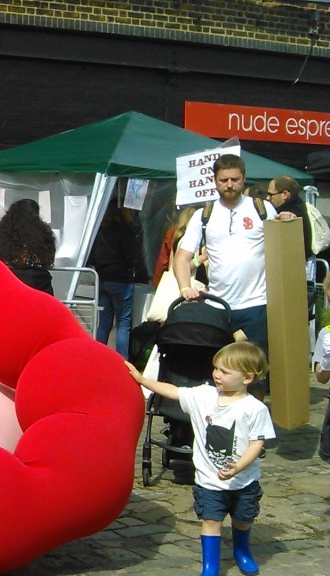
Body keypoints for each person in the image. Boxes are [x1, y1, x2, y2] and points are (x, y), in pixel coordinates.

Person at [125, 341, 275, 576]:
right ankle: (210, 566)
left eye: (225, 371)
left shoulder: (254, 409)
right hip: (209, 480)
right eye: (216, 368)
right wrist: (143, 380)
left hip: (244, 480)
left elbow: (257, 443)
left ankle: (242, 551)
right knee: (210, 520)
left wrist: (239, 466)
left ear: (247, 378)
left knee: (243, 519)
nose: (217, 374)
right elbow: (174, 391)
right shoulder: (204, 396)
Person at [174, 154, 289, 402]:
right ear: (214, 181)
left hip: (256, 304)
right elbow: (182, 257)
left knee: (255, 372)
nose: (229, 185)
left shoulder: (261, 208)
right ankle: (221, 416)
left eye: (234, 179)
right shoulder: (203, 215)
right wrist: (185, 287)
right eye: (223, 180)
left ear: (244, 178)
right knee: (219, 371)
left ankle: (253, 418)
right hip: (218, 306)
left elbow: (283, 243)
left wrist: (287, 221)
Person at [89, 201, 141, 359]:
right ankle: (122, 361)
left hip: (102, 278)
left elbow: (91, 257)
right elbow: (132, 256)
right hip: (121, 280)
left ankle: (97, 357)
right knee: (123, 323)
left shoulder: (99, 231)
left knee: (104, 322)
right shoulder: (125, 231)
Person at [0, 198, 56, 295]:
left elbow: (0, 256)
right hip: (41, 282)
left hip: (12, 282)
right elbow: (48, 257)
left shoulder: (5, 234)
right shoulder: (42, 233)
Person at [266, 175, 314, 260]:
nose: (267, 198)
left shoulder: (290, 214)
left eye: (271, 194)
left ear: (285, 194)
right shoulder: (299, 206)